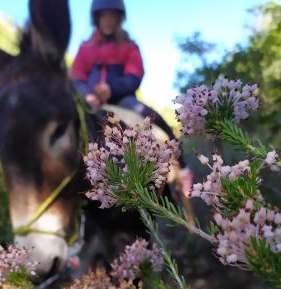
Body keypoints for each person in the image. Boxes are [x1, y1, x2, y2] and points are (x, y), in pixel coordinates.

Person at [72, 0, 194, 201]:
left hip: (123, 100)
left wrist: (111, 89)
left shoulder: (129, 46)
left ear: (120, 19)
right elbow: (77, 76)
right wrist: (87, 95)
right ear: (97, 19)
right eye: (104, 15)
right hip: (91, 103)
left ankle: (182, 168)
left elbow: (134, 76)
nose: (109, 20)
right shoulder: (86, 48)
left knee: (151, 117)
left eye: (113, 16)